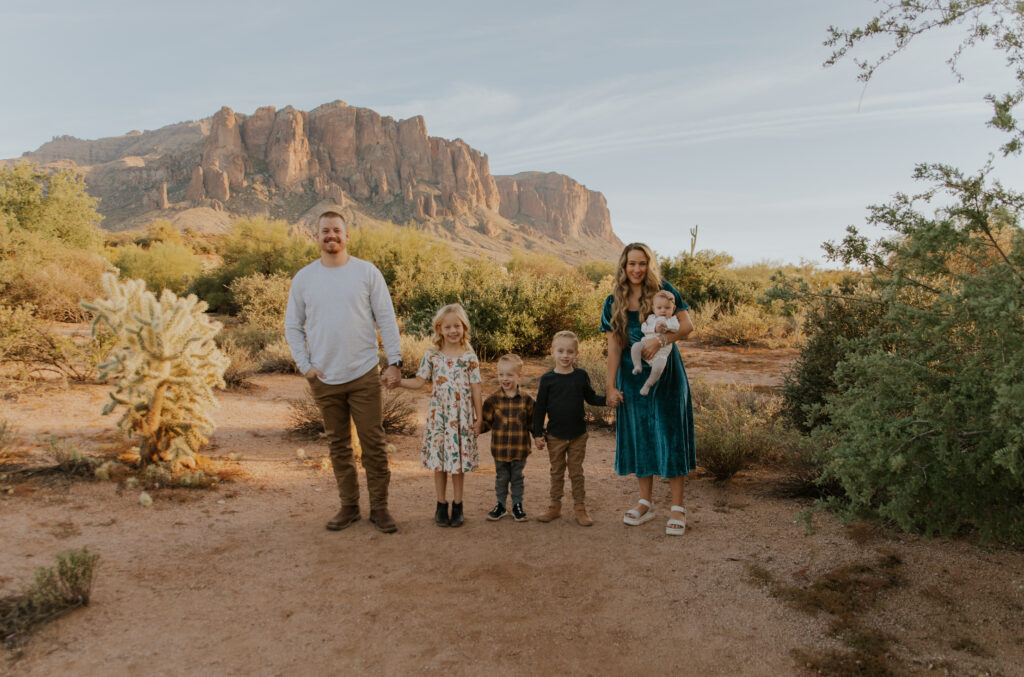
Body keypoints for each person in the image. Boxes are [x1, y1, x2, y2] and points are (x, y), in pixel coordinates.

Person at [285, 209, 402, 534]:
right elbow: (292, 326)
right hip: (324, 378)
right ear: (317, 237)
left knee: (373, 443)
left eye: (337, 230)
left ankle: (379, 509)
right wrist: (305, 366)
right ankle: (349, 507)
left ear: (347, 236)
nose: (331, 235)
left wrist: (395, 361)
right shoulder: (304, 278)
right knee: (339, 445)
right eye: (325, 231)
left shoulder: (366, 273)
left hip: (364, 373)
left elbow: (386, 319)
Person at [602, 242, 695, 536]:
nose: (637, 269)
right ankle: (646, 502)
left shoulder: (664, 290)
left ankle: (678, 508)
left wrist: (662, 341)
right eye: (632, 264)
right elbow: (615, 347)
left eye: (642, 263)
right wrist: (610, 385)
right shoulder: (613, 300)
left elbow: (687, 325)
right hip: (632, 377)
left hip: (667, 375)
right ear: (623, 265)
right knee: (640, 435)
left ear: (649, 264)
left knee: (670, 434)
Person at [399, 303, 482, 528]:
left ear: (464, 328)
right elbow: (419, 381)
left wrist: (479, 417)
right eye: (448, 327)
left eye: (457, 326)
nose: (453, 330)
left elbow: (476, 387)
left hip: (462, 416)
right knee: (440, 463)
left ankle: (458, 506)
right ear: (440, 329)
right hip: (439, 417)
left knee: (457, 462)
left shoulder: (469, 356)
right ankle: (440, 504)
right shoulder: (432, 354)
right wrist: (398, 382)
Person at [532, 330, 607, 527]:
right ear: (552, 352)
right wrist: (537, 433)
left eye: (570, 351)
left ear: (576, 353)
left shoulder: (581, 376)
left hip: (578, 435)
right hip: (555, 435)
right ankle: (554, 506)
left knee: (576, 472)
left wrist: (608, 400)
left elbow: (591, 398)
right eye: (561, 351)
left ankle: (580, 508)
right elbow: (539, 407)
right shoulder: (547, 379)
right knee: (556, 471)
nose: (565, 355)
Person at [479, 354, 534, 522]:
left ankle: (517, 505)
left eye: (510, 375)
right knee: (501, 477)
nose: (505, 378)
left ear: (519, 376)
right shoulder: (492, 401)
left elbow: (533, 423)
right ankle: (500, 505)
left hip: (519, 449)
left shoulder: (527, 400)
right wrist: (474, 428)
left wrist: (540, 437)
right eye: (501, 374)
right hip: (500, 449)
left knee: (517, 478)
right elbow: (486, 423)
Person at [630, 290, 681, 396]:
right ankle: (637, 365)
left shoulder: (672, 320)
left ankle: (648, 384)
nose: (663, 310)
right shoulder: (651, 318)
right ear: (653, 308)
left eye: (667, 308)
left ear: (673, 308)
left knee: (659, 367)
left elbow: (676, 328)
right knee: (635, 346)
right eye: (659, 308)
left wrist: (666, 327)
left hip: (661, 352)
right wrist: (654, 328)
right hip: (646, 344)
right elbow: (644, 328)